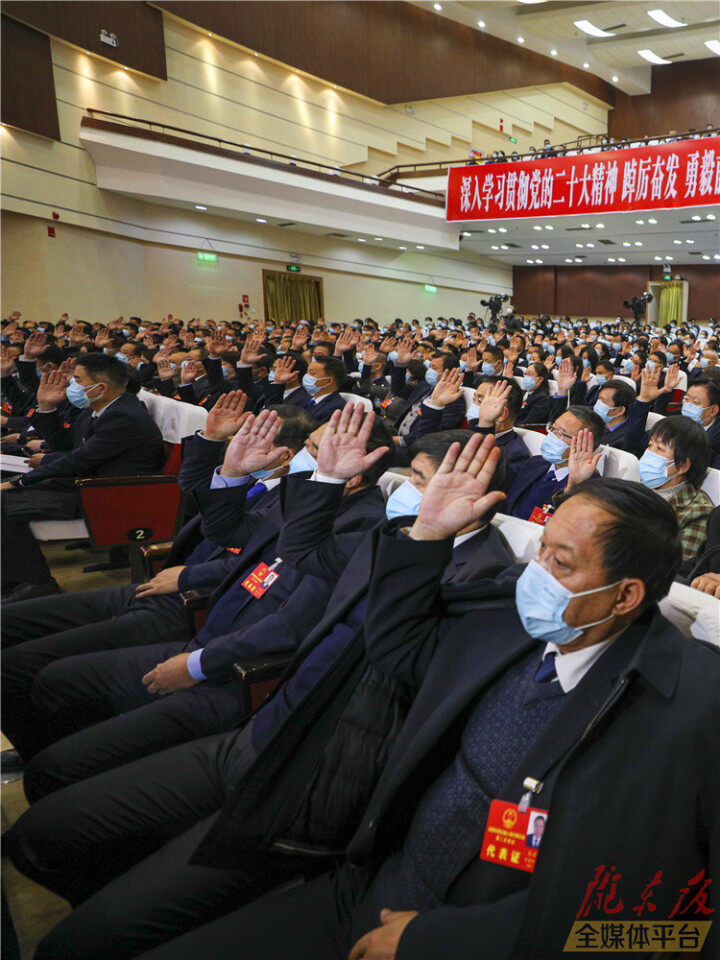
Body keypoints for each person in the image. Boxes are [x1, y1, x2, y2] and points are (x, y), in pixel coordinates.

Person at [119, 467, 718, 960]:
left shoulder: (685, 714)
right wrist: (427, 534)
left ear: (626, 595)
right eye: (541, 549)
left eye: (561, 564)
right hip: (372, 878)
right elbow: (397, 649)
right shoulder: (519, 618)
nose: (536, 574)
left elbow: (652, 927)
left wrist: (438, 940)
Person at [5, 421, 513, 960]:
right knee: (44, 833)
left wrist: (429, 539)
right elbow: (302, 552)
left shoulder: (483, 579)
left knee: (86, 937)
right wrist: (325, 478)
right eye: (412, 478)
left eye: (422, 480)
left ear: (476, 493)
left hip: (311, 773)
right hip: (263, 729)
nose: (409, 491)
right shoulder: (395, 536)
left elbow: (399, 663)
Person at [1, 354, 166, 602]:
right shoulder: (96, 410)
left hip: (106, 495)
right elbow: (65, 446)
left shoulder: (124, 416)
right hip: (83, 484)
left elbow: (79, 459)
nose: (72, 385)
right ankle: (16, 579)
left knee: (5, 503)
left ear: (101, 388)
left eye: (78, 380)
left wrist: (18, 482)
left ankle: (36, 584)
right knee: (6, 497)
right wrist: (47, 407)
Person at [638, 416, 714, 567]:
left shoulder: (698, 512)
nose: (648, 453)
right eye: (650, 445)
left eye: (659, 448)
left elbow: (676, 568)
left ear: (683, 466)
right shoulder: (638, 488)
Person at [504, 406, 604, 520]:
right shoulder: (536, 462)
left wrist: (572, 486)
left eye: (561, 433)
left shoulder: (591, 487)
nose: (551, 435)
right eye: (553, 428)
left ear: (583, 445)